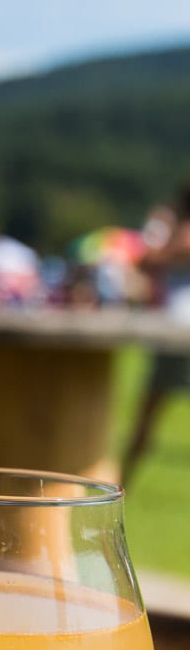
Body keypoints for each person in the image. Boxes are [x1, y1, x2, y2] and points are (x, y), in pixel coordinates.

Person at [121, 185, 190, 486]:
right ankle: (121, 483)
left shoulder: (178, 226)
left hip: (178, 330)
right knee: (147, 415)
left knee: (147, 415)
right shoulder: (173, 224)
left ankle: (121, 483)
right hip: (175, 331)